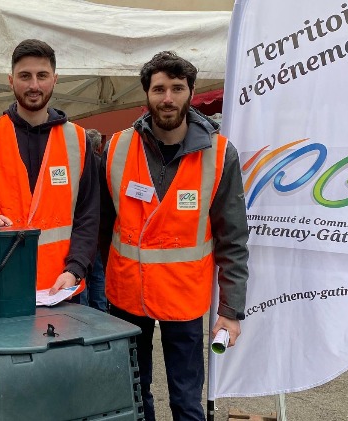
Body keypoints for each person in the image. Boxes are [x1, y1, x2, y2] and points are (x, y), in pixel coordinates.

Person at [99, 51, 249, 421]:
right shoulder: (116, 148)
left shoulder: (219, 154)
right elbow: (101, 226)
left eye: (177, 88)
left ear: (191, 92)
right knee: (134, 393)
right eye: (159, 89)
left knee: (186, 400)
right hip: (127, 295)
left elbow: (232, 238)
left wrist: (230, 311)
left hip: (184, 299)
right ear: (146, 94)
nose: (168, 98)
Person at [0, 39, 99, 296]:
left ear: (55, 80)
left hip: (61, 286)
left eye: (42, 76)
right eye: (25, 76)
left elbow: (88, 215)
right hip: (1, 281)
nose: (34, 85)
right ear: (11, 80)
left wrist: (75, 268)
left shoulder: (77, 140)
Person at [74, 128, 109, 310]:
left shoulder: (78, 164)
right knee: (98, 275)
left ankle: (85, 312)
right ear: (98, 146)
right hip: (99, 227)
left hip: (82, 228)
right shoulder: (103, 163)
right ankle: (100, 311)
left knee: (81, 275)